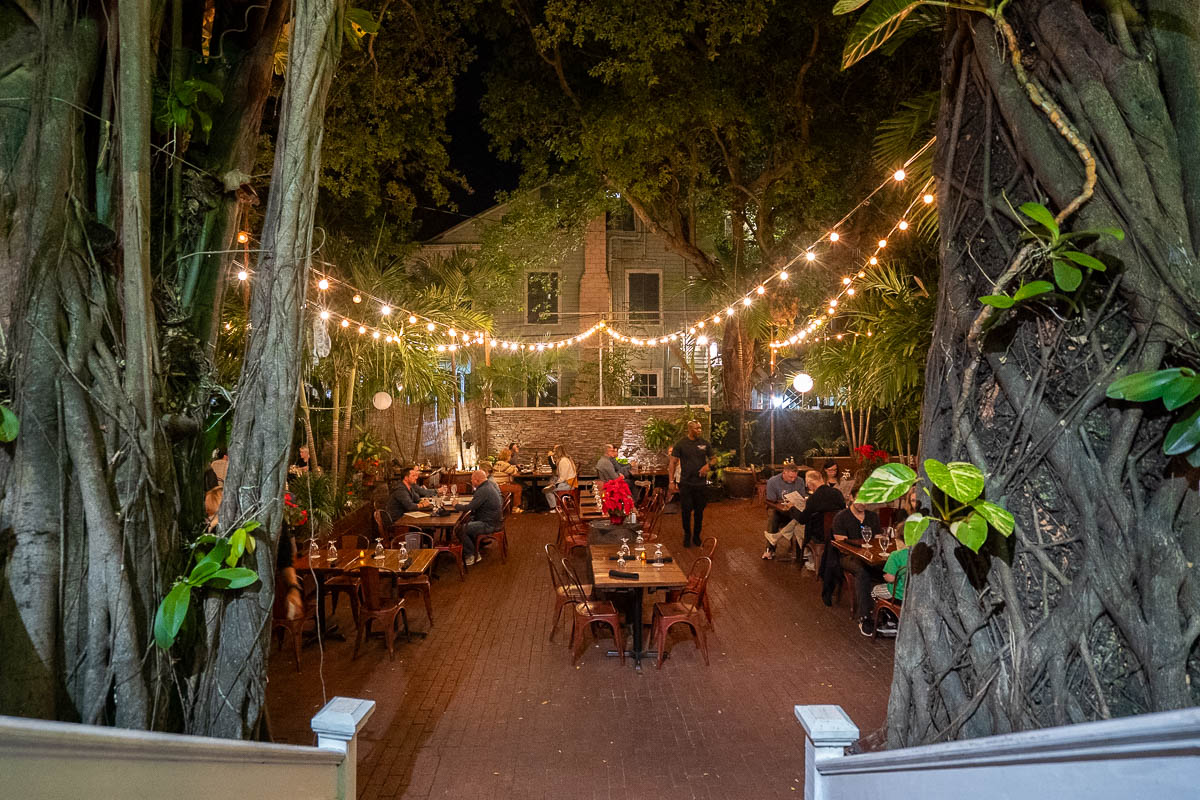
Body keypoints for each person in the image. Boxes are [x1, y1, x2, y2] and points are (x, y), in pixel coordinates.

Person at [829, 485, 884, 634]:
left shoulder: (872, 517)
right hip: (848, 556)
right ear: (852, 497)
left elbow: (878, 539)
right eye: (860, 498)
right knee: (863, 571)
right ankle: (864, 617)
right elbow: (841, 544)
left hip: (870, 555)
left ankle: (886, 611)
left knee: (890, 568)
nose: (863, 503)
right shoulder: (841, 517)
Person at [792, 469, 846, 597]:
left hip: (820, 536)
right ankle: (811, 558)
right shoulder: (837, 493)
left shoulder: (813, 499)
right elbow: (843, 512)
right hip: (836, 534)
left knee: (797, 528)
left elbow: (802, 519)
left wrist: (792, 508)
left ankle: (809, 558)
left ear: (810, 484)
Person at [668, 419, 713, 548]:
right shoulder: (681, 444)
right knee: (686, 511)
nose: (699, 430)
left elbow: (714, 459)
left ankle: (697, 536)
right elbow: (673, 462)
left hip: (700, 484)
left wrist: (707, 466)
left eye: (700, 428)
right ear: (689, 429)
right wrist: (671, 481)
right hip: (686, 483)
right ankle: (687, 535)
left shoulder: (704, 444)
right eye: (696, 428)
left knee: (699, 511)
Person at [762, 462, 808, 560]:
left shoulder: (800, 481)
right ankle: (769, 549)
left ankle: (802, 551)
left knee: (802, 520)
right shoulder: (773, 481)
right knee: (773, 518)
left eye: (794, 477)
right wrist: (783, 505)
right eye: (790, 477)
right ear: (784, 473)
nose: (793, 479)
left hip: (794, 509)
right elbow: (770, 500)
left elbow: (801, 498)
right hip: (778, 509)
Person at [867, 532, 909, 636]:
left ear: (899, 540)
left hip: (898, 594)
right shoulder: (921, 554)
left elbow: (890, 579)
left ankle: (890, 619)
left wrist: (885, 576)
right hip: (914, 594)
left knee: (874, 590)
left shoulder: (896, 555)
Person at [460, 469, 503, 566]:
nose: (471, 482)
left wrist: (456, 506)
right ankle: (474, 548)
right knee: (466, 523)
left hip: (489, 524)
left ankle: (472, 555)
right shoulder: (488, 485)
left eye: (472, 480)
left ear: (476, 480)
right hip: (495, 520)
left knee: (461, 529)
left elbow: (470, 507)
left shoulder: (483, 490)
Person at [544, 444, 577, 510]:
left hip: (568, 484)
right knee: (550, 483)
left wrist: (554, 484)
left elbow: (562, 478)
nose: (554, 454)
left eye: (555, 452)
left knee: (547, 490)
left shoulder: (563, 461)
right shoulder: (566, 459)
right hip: (569, 482)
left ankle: (554, 508)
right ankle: (556, 505)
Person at [492, 448, 523, 513]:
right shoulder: (505, 464)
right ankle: (515, 508)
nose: (510, 457)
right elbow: (514, 471)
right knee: (518, 488)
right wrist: (515, 468)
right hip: (501, 485)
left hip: (495, 485)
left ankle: (511, 505)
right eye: (509, 456)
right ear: (506, 456)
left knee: (515, 484)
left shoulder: (497, 463)